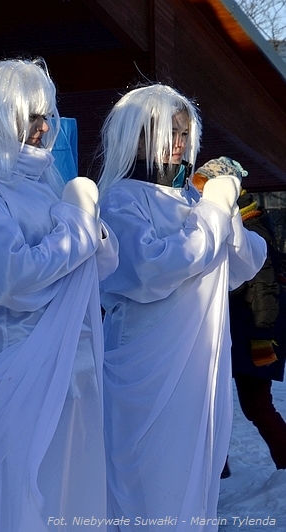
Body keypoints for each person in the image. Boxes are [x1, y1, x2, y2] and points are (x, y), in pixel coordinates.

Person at [0, 59, 118, 531]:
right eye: (30, 116)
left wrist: (92, 231)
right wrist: (78, 228)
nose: (43, 128)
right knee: (26, 495)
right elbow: (14, 277)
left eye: (46, 115)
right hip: (19, 365)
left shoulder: (47, 184)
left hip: (74, 367)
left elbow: (100, 268)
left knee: (75, 491)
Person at [98, 85, 266, 530]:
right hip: (146, 366)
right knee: (150, 483)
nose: (178, 142)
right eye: (167, 131)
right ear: (137, 137)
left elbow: (244, 263)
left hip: (198, 365)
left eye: (184, 132)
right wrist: (213, 210)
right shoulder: (120, 198)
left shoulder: (193, 198)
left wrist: (223, 208)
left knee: (195, 477)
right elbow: (152, 269)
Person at [194, 158, 286, 472]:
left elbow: (264, 285)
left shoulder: (249, 223)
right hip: (231, 328)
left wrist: (262, 337)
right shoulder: (219, 218)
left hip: (253, 330)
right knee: (210, 402)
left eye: (205, 185)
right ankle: (215, 468)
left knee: (256, 405)